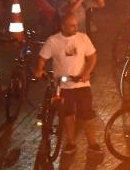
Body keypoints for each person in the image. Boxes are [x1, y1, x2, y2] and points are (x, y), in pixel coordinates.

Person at [36, 14, 100, 154]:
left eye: (76, 25)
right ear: (63, 26)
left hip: (82, 84)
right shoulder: (53, 41)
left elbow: (92, 57)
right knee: (67, 115)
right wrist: (39, 70)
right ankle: (71, 142)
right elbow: (42, 58)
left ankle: (93, 143)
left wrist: (86, 72)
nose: (76, 27)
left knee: (87, 114)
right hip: (63, 86)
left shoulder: (83, 38)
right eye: (72, 25)